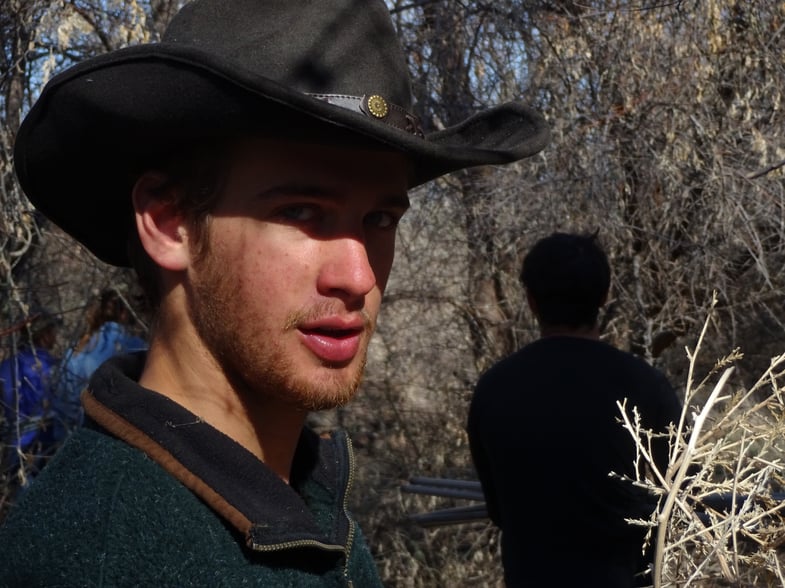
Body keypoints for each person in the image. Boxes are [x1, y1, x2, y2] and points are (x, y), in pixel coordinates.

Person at [0, 0, 549, 585]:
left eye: (380, 219)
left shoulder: (294, 496)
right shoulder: (103, 558)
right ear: (169, 223)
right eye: (302, 212)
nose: (358, 276)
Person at [467, 232, 683, 588]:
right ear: (604, 296)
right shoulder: (644, 385)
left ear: (531, 301)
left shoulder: (494, 388)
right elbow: (681, 496)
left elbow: (499, 511)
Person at [54, 288, 147, 439]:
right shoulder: (137, 348)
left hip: (75, 439)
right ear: (125, 312)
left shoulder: (77, 350)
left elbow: (62, 405)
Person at [0, 311, 61, 481]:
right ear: (43, 334)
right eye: (52, 331)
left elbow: (9, 405)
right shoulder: (54, 368)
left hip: (16, 444)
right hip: (46, 442)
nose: (55, 337)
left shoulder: (8, 366)